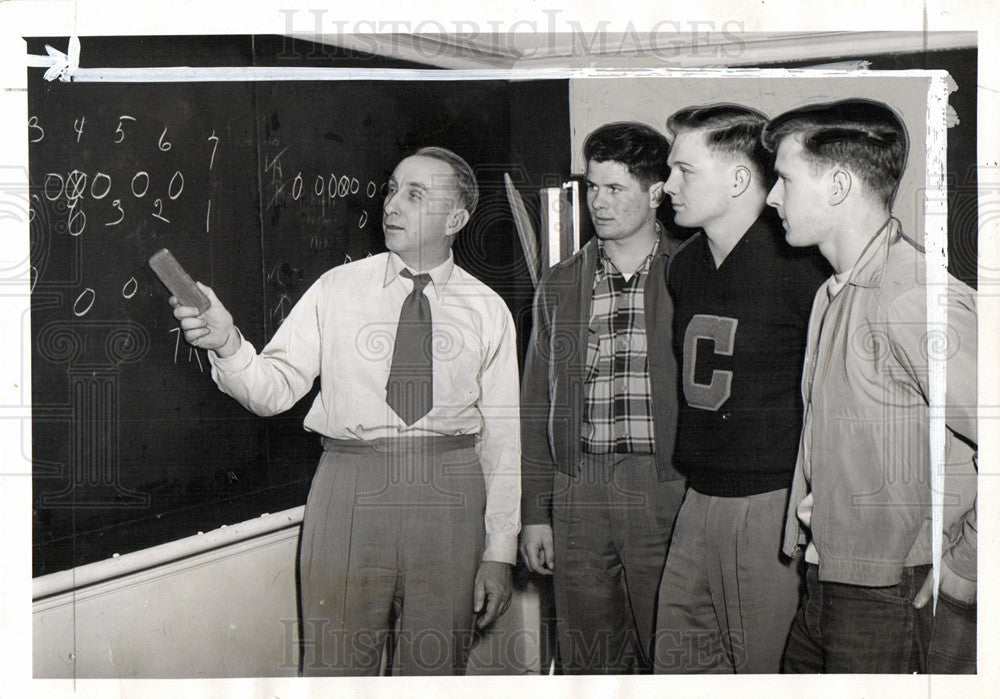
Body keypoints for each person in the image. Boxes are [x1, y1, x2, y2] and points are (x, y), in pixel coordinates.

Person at [169, 147, 521, 676]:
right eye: (392, 188)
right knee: (334, 669)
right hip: (348, 486)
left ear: (457, 218)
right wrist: (228, 344)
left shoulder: (487, 309)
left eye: (415, 194)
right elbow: (273, 389)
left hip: (451, 492)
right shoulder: (337, 289)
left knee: (435, 670)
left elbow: (503, 440)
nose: (392, 205)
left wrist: (500, 550)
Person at [763, 99, 977, 673]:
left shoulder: (912, 297)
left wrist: (970, 564)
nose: (771, 197)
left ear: (837, 185)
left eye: (784, 178)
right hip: (828, 573)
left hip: (888, 592)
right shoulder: (835, 292)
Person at [653, 105, 829, 673]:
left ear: (736, 179)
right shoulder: (684, 266)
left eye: (685, 171)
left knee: (764, 671)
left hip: (770, 503)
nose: (667, 186)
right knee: (678, 668)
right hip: (698, 496)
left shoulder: (804, 266)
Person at [519, 122, 686, 673]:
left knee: (671, 649)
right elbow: (535, 408)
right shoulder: (561, 283)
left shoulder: (690, 273)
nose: (598, 203)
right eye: (592, 187)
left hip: (663, 485)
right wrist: (535, 512)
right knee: (588, 657)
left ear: (656, 190)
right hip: (578, 489)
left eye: (615, 189)